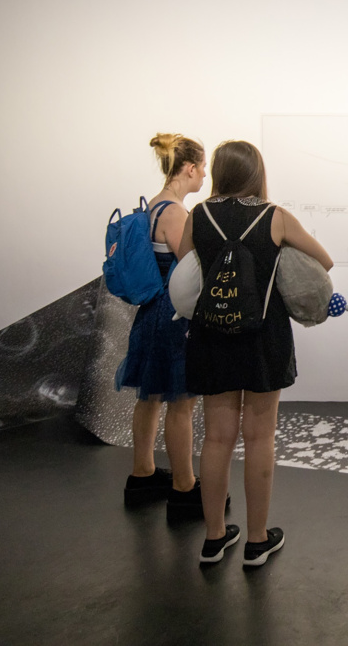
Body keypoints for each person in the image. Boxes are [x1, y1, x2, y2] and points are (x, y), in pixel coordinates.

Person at [177, 140, 333, 567]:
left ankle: (213, 538)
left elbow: (184, 264)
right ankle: (258, 540)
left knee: (215, 438)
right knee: (260, 436)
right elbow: (325, 260)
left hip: (211, 335)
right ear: (256, 174)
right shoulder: (275, 217)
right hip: (264, 338)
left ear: (220, 173)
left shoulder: (198, 216)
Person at [118, 133, 207, 519]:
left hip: (150, 312)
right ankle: (185, 487)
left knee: (149, 397)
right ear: (189, 169)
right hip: (173, 316)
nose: (204, 175)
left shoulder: (153, 205)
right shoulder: (176, 214)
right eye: (203, 168)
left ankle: (142, 474)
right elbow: (192, 268)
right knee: (181, 402)